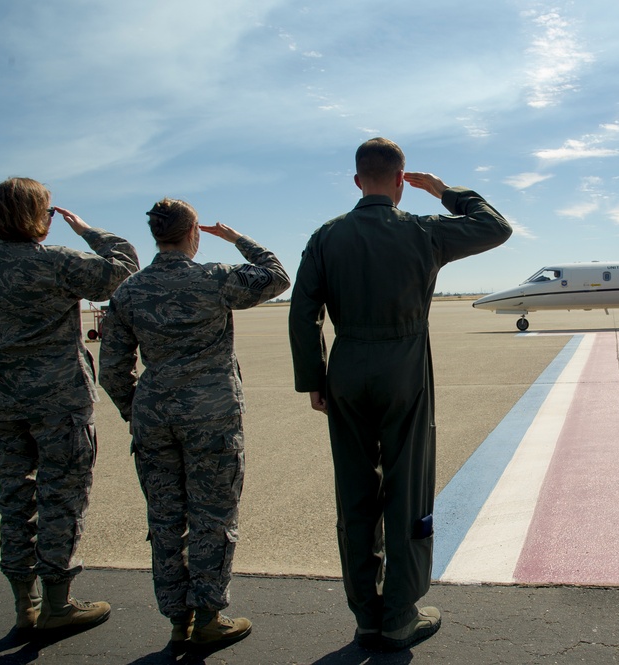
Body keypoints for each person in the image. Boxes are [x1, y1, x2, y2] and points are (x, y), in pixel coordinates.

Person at [289, 138, 512, 651]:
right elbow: (496, 227)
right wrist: (445, 192)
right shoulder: (421, 230)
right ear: (400, 180)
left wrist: (314, 380)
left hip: (346, 368)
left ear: (356, 180)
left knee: (355, 493)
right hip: (404, 366)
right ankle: (400, 614)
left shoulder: (327, 237)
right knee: (406, 488)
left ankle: (367, 615)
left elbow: (302, 311)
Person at [98, 198, 289, 650]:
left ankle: (176, 618)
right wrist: (239, 238)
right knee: (213, 514)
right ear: (193, 234)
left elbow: (111, 371)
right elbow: (277, 277)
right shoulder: (214, 278)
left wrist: (136, 410)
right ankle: (208, 615)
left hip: (154, 419)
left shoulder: (129, 291)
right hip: (212, 417)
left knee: (165, 518)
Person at [0, 177, 139, 632]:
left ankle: (23, 604)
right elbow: (123, 267)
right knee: (62, 498)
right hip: (59, 400)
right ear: (41, 217)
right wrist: (87, 230)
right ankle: (58, 602)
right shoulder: (57, 263)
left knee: (14, 496)